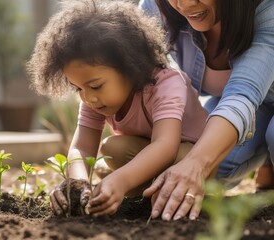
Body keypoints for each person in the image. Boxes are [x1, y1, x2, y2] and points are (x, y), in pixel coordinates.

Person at [27, 0, 208, 217]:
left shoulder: (166, 84)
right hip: (151, 154)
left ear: (129, 66)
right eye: (78, 89)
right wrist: (76, 183)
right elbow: (82, 146)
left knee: (179, 157)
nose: (88, 97)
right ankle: (143, 193)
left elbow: (165, 145)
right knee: (113, 149)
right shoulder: (94, 96)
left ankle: (172, 194)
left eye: (95, 86)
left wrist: (120, 181)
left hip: (194, 158)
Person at [139, 0, 274, 221]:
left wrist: (197, 163)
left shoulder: (268, 9)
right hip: (243, 108)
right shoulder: (155, 8)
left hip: (245, 100)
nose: (185, 3)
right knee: (214, 167)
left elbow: (243, 93)